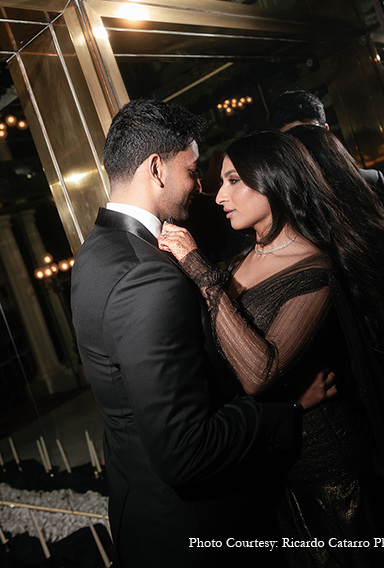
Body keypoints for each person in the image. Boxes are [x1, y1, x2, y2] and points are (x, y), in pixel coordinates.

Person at [160, 130, 384, 567]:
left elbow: (259, 372)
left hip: (329, 477)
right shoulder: (244, 257)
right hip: (273, 464)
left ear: (273, 179)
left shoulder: (314, 267)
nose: (220, 195)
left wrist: (201, 272)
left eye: (233, 181)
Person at [70, 99, 335, 568]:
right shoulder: (146, 275)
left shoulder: (95, 252)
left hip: (144, 514)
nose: (201, 186)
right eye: (192, 171)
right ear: (156, 169)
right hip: (196, 532)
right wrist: (288, 408)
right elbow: (186, 450)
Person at [270, 89, 384, 231]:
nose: (306, 144)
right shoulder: (283, 201)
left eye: (312, 133)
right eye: (295, 140)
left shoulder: (371, 181)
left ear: (326, 131)